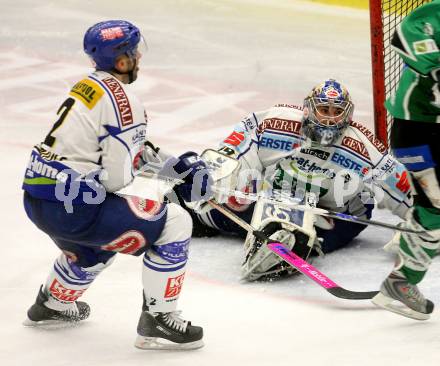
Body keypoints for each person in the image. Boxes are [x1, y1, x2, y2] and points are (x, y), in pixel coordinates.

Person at [22, 20, 212, 350]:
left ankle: (52, 304)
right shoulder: (126, 101)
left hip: (39, 199)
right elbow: (117, 180)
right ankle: (159, 318)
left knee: (100, 241)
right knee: (175, 221)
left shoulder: (88, 86)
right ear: (123, 61)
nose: (139, 56)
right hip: (75, 208)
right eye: (134, 51)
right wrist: (170, 183)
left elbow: (116, 149)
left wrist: (172, 165)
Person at [178, 79, 413, 280]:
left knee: (304, 235)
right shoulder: (276, 122)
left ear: (347, 116)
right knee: (227, 198)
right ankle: (202, 215)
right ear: (309, 109)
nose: (329, 120)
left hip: (338, 215)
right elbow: (234, 152)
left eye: (336, 112)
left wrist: (424, 220)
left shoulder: (365, 151)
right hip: (278, 197)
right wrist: (209, 174)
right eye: (323, 109)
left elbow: (406, 193)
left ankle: (294, 243)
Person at [372, 1, 440, 320]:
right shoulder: (431, 17)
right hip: (416, 132)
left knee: (434, 209)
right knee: (436, 206)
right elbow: (407, 41)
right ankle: (400, 282)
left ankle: (412, 235)